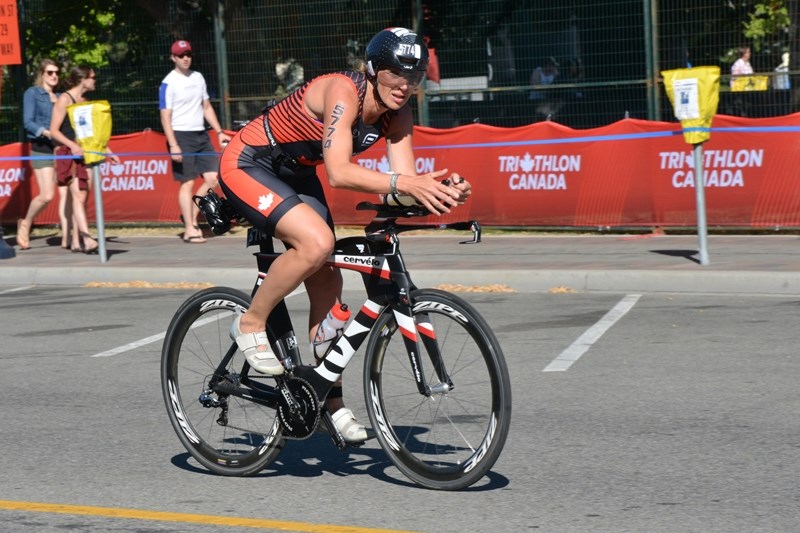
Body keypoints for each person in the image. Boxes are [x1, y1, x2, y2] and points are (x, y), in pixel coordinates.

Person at [218, 27, 471, 442]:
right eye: (394, 73)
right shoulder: (343, 91)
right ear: (373, 69)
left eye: (415, 77)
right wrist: (408, 185)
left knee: (328, 277)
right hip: (249, 162)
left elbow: (402, 183)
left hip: (295, 173)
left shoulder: (399, 112)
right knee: (316, 243)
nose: (404, 85)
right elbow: (338, 173)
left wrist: (442, 191)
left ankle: (327, 402)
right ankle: (250, 322)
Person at [159, 40, 231, 244]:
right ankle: (190, 228)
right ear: (173, 58)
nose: (185, 58)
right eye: (181, 55)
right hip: (181, 136)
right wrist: (173, 144)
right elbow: (165, 116)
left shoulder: (198, 77)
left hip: (201, 135)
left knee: (214, 179)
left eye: (188, 54)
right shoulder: (168, 82)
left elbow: (206, 106)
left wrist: (219, 131)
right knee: (187, 182)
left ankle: (189, 216)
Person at [49, 65, 119, 254]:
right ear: (83, 79)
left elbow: (91, 134)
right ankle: (88, 239)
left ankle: (76, 241)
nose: (95, 80)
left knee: (83, 195)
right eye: (92, 77)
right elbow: (54, 130)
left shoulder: (85, 101)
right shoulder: (64, 99)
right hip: (69, 153)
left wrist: (107, 151)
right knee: (79, 196)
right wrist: (72, 146)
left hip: (85, 153)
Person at [17, 59, 62, 250]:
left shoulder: (61, 97)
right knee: (47, 195)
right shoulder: (33, 93)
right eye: (50, 72)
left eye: (57, 73)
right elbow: (28, 122)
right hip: (42, 147)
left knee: (68, 194)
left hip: (61, 149)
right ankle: (26, 223)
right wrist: (47, 132)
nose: (54, 76)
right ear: (42, 74)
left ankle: (73, 236)